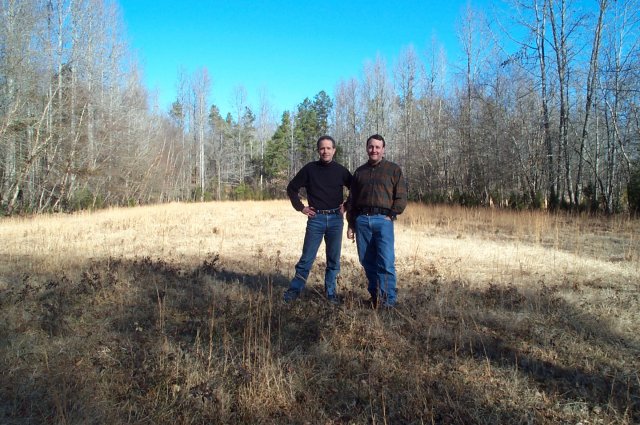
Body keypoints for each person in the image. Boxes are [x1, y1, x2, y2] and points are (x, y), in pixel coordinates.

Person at [283, 135, 352, 304]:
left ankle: (330, 294)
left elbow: (356, 189)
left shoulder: (341, 171)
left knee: (333, 259)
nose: (325, 151)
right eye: (322, 148)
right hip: (316, 219)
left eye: (329, 148)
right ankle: (293, 292)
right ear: (318, 150)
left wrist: (347, 205)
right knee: (307, 258)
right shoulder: (309, 169)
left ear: (334, 150)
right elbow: (292, 188)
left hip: (336, 219)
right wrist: (301, 207)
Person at [347, 134, 407, 308]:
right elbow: (352, 199)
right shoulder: (360, 172)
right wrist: (351, 223)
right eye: (371, 147)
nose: (374, 150)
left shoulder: (393, 170)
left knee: (386, 261)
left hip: (383, 221)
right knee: (367, 261)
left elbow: (401, 196)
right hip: (362, 221)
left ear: (383, 149)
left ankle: (388, 301)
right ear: (367, 148)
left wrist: (391, 214)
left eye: (377, 147)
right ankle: (376, 297)